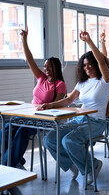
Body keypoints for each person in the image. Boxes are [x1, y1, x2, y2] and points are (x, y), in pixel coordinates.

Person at [41, 31, 109, 184]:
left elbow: (101, 62)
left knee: (69, 141)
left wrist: (90, 41)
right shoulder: (83, 83)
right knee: (49, 139)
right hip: (80, 119)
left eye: (90, 64)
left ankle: (92, 166)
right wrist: (50, 105)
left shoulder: (104, 80)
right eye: (84, 65)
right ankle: (72, 165)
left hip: (96, 122)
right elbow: (69, 100)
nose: (87, 67)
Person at [0, 27, 66, 169]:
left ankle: (7, 168)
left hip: (43, 119)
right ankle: (16, 161)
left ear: (56, 68)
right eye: (45, 66)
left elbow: (58, 106)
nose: (46, 69)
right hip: (29, 114)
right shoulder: (41, 78)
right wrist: (24, 39)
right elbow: (29, 59)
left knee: (21, 132)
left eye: (49, 67)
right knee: (6, 130)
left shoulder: (60, 85)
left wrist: (46, 107)